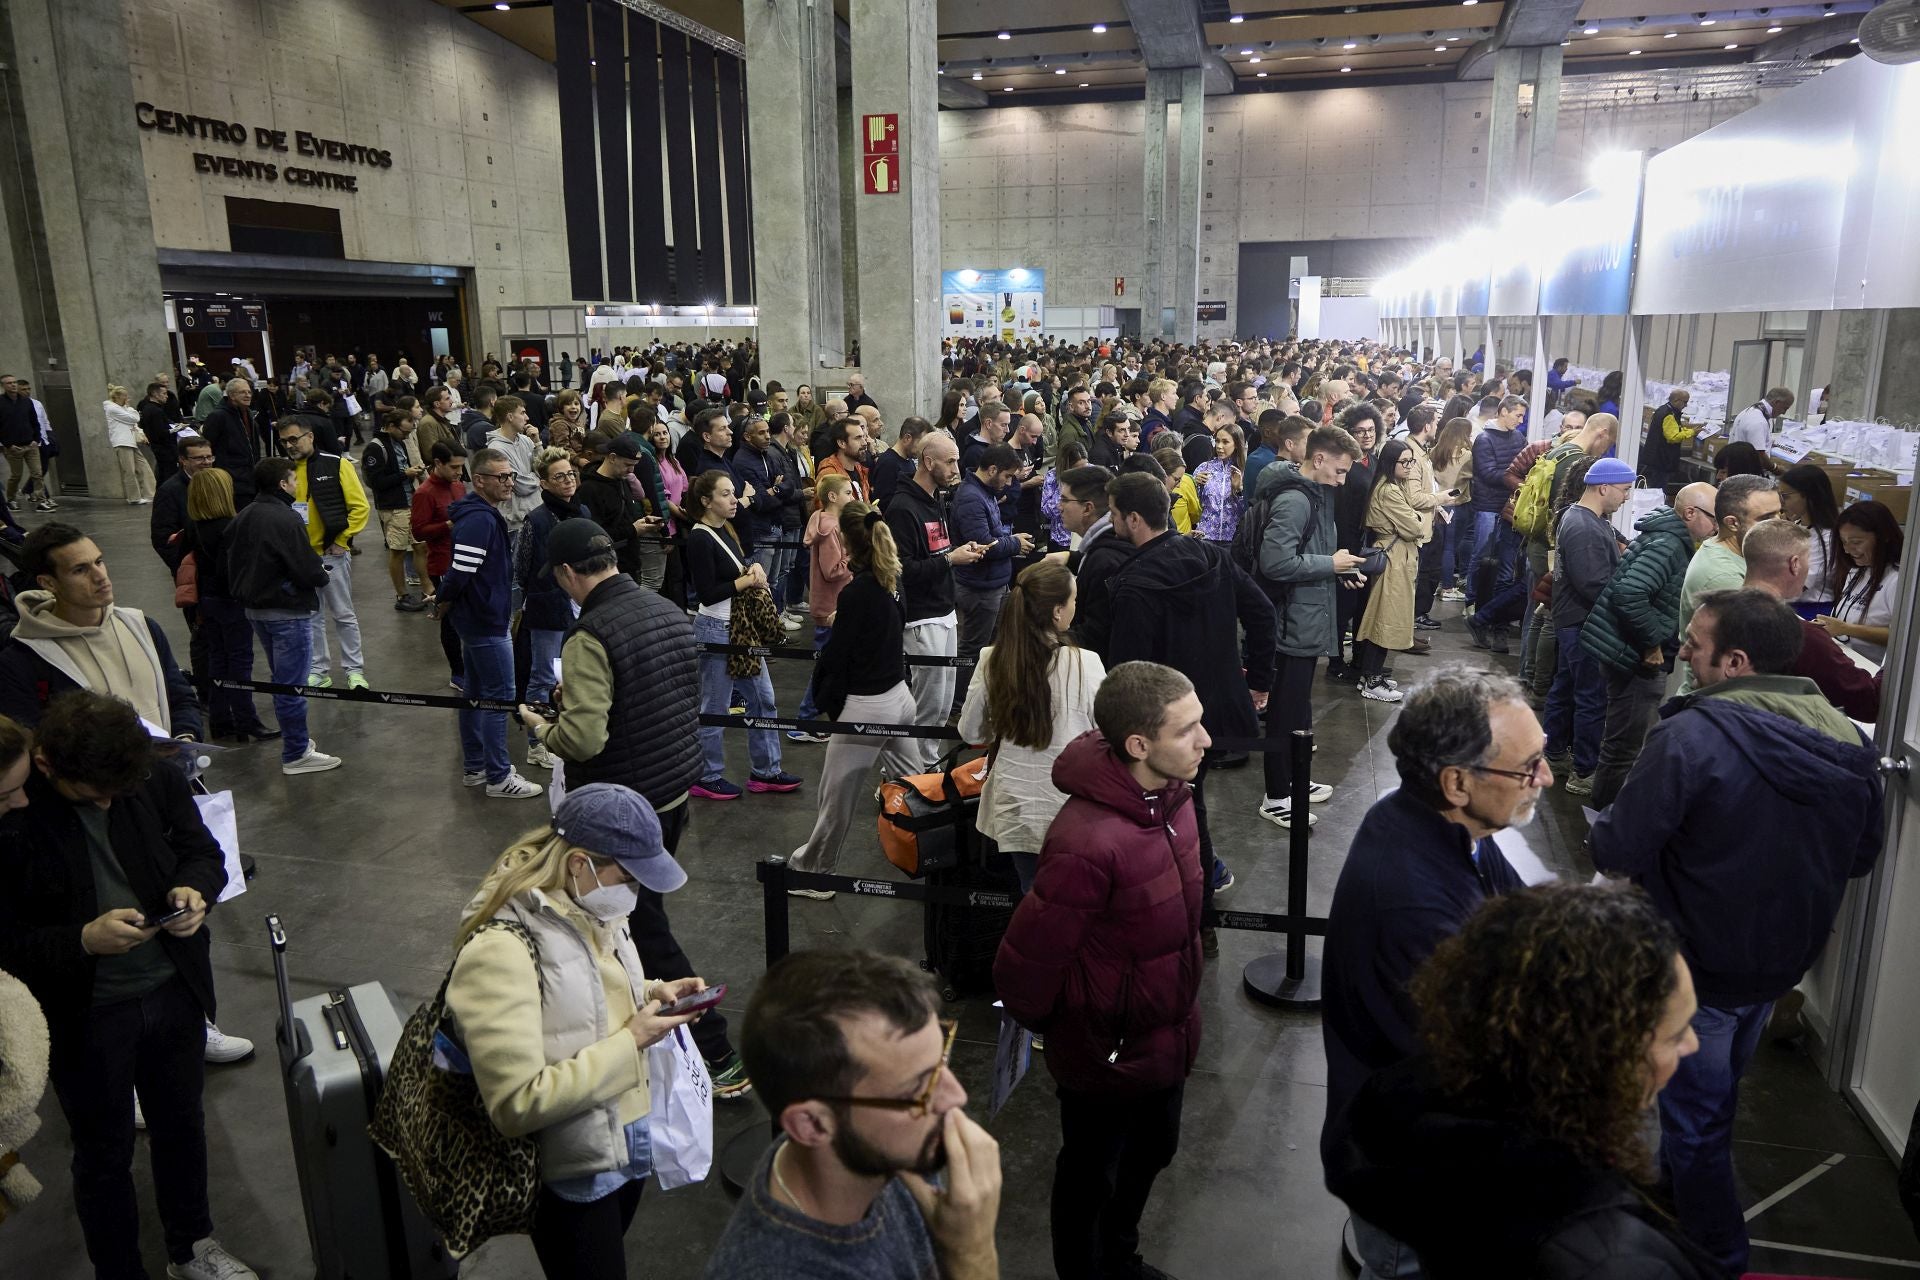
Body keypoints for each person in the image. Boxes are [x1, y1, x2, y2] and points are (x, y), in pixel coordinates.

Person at [1590, 588, 1883, 1275]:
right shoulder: (1849, 742)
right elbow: (1862, 857)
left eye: (1695, 644)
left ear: (1736, 662)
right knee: (1710, 1102)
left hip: (1695, 965)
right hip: (1779, 963)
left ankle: (1717, 1253)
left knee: (1697, 1121)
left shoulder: (1691, 736)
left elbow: (1618, 847)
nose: (1682, 652)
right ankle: (1670, 1187)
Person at [0, 690, 259, 1280]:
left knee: (182, 1126)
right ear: (46, 765)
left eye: (119, 792)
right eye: (95, 794)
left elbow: (202, 852)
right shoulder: (17, 811)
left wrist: (196, 891)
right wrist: (82, 940)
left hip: (173, 989)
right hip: (84, 1012)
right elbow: (7, 943)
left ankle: (191, 1246)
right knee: (103, 1153)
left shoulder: (150, 778)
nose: (109, 802)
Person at [1330, 883, 1716, 1278]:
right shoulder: (1611, 1261)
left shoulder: (1437, 1102)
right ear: (1598, 1057)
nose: (1693, 1044)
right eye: (1675, 1035)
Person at [445, 783, 710, 1279]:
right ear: (578, 863)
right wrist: (632, 1040)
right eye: (628, 878)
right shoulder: (500, 950)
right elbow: (516, 1103)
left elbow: (580, 991)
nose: (635, 893)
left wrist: (650, 992)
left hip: (622, 1140)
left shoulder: (589, 903)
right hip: (573, 1173)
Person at [995, 661, 1207, 1280]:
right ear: (1139, 745)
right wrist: (1070, 1029)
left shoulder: (1176, 799)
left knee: (1154, 1149)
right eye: (1187, 730)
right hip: (1104, 1049)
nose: (1205, 739)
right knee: (1091, 1174)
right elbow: (1030, 960)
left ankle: (1119, 1258)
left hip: (1166, 1029)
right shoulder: (1086, 842)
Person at [1320, 665, 1533, 1278]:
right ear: (1457, 781)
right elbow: (1486, 1059)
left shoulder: (1443, 825)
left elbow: (1522, 920)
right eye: (1526, 768)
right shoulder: (1412, 903)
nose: (1543, 779)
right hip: (1416, 1172)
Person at [705, 948, 1002, 1280]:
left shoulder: (885, 1149)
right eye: (919, 1088)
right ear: (812, 1124)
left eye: (940, 1060)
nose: (958, 1096)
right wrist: (971, 1252)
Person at [1105, 472, 1275, 902]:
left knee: (1177, 800)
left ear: (1134, 519)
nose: (1111, 521)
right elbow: (1262, 613)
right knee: (1188, 796)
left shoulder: (1135, 585)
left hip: (1164, 723)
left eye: (1113, 513)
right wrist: (1258, 681)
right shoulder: (1211, 556)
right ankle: (1201, 873)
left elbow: (1127, 673)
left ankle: (1198, 883)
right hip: (1220, 708)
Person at [784, 504, 919, 898]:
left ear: (846, 540)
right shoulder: (891, 577)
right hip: (900, 698)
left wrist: (831, 705)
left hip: (868, 708)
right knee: (918, 787)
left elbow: (838, 656)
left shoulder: (857, 591)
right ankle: (943, 856)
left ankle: (815, 874)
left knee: (836, 800)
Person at [958, 559, 1106, 895]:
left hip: (1015, 805)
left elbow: (971, 733)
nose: (1075, 606)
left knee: (1032, 893)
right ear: (1057, 611)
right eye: (1073, 600)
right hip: (1072, 807)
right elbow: (1108, 734)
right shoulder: (1086, 663)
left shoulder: (992, 660)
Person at [1254, 427, 1367, 828]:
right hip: (1292, 620)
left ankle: (1292, 778)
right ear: (1318, 459)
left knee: (1297, 707)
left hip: (1305, 614)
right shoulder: (1295, 500)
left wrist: (1337, 569)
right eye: (1339, 470)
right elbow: (1275, 563)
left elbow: (1309, 553)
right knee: (1286, 710)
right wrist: (1330, 565)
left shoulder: (1313, 494)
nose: (1342, 480)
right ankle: (1276, 795)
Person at [0, 522, 204, 743]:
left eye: (98, 561)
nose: (100, 577)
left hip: (166, 764)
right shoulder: (24, 659)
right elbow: (32, 743)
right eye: (80, 570)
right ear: (48, 582)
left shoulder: (143, 627)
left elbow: (181, 698)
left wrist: (186, 737)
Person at [682, 469, 802, 799]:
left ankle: (767, 770)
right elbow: (708, 593)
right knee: (715, 706)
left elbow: (733, 569)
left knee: (763, 699)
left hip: (739, 628)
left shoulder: (726, 528)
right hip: (716, 629)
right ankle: (706, 775)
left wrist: (753, 567)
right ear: (706, 501)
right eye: (725, 494)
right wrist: (748, 580)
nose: (734, 499)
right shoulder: (699, 537)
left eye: (733, 493)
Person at [1577, 486, 1699, 807]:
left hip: (1628, 654)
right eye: (1714, 519)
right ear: (1691, 513)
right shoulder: (1670, 545)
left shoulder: (1666, 536)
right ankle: (1604, 821)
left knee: (1623, 745)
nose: (1716, 527)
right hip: (1635, 660)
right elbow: (1629, 593)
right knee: (1623, 750)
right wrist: (1651, 642)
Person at [226, 458, 340, 775]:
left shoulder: (245, 515)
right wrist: (322, 575)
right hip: (287, 612)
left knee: (282, 681)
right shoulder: (286, 518)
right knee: (291, 686)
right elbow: (304, 566)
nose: (297, 483)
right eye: (293, 478)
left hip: (256, 610)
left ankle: (296, 741)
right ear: (282, 484)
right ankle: (296, 753)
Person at [441, 446, 542, 799]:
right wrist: (443, 599)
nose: (509, 482)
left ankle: (476, 767)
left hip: (479, 619)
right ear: (480, 480)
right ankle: (499, 776)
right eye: (502, 477)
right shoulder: (480, 520)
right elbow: (460, 571)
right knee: (499, 698)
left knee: (475, 694)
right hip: (485, 622)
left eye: (511, 475)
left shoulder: (481, 515)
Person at [885, 433, 990, 773]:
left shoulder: (934, 499)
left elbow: (937, 551)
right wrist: (950, 560)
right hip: (921, 617)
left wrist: (958, 552)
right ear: (928, 462)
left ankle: (926, 767)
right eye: (950, 461)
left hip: (945, 610)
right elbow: (902, 569)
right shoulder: (902, 508)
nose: (957, 468)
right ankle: (902, 773)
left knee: (942, 704)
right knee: (926, 703)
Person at [1741, 518, 1882, 721]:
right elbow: (1869, 702)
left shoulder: (1717, 614)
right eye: (1809, 560)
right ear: (1795, 564)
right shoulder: (1802, 636)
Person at [274, 416, 371, 692]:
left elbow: (360, 507)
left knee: (343, 614)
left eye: (294, 439)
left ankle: (354, 671)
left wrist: (341, 540)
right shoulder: (283, 470)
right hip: (299, 559)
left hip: (332, 555)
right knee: (311, 617)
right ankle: (318, 670)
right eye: (284, 441)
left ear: (310, 436)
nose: (290, 445)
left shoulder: (336, 464)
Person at [179, 467, 274, 742]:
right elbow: (231, 571)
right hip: (231, 602)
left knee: (217, 660)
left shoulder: (193, 526)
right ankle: (247, 721)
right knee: (240, 662)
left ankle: (220, 721)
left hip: (206, 600)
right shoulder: (230, 527)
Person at [514, 448, 586, 768]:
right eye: (559, 477)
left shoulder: (583, 511)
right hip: (547, 607)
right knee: (542, 676)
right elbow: (522, 567)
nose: (568, 480)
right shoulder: (536, 520)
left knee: (571, 674)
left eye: (570, 474)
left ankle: (566, 735)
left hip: (580, 606)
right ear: (544, 483)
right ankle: (536, 743)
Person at [1677, 473, 1780, 694]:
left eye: (1780, 513)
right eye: (1767, 517)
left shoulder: (1736, 554)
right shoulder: (1723, 576)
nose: (1779, 524)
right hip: (1717, 699)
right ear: (1732, 523)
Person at [950, 444, 1034, 711]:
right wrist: (1014, 543)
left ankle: (983, 697)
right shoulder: (972, 498)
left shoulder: (984, 492)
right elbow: (982, 545)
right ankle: (959, 705)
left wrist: (1011, 539)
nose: (1009, 483)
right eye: (1007, 476)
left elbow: (992, 535)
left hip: (994, 583)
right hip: (980, 588)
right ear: (993, 469)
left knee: (994, 644)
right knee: (974, 648)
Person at [1350, 440, 1426, 702]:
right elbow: (1414, 528)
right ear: (1390, 462)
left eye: (1411, 461)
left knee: (1381, 617)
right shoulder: (1390, 491)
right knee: (1384, 620)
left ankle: (1370, 675)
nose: (1409, 466)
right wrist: (1417, 518)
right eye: (1404, 461)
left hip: (1393, 556)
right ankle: (1372, 680)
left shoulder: (1389, 486)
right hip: (1393, 558)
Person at [789, 472, 855, 742]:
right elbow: (832, 570)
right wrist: (856, 557)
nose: (852, 497)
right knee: (826, 668)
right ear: (832, 496)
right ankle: (805, 720)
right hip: (832, 609)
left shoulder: (825, 522)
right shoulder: (829, 530)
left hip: (834, 605)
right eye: (848, 493)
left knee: (834, 665)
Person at [360, 406, 430, 611]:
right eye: (404, 431)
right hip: (393, 507)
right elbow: (376, 482)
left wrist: (413, 473)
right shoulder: (375, 448)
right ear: (391, 426)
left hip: (410, 502)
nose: (407, 436)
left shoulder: (399, 442)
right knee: (398, 551)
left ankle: (428, 588)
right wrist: (404, 474)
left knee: (420, 546)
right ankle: (402, 595)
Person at [1463, 395, 1527, 608]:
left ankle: (1492, 603)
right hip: (1487, 507)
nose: (1521, 420)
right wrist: (1516, 479)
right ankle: (1472, 600)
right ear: (1504, 411)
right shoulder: (1484, 439)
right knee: (1482, 554)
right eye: (1518, 415)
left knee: (1503, 557)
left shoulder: (1518, 437)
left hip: (1509, 506)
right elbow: (1488, 473)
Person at [1820, 498, 1903, 663]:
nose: (1848, 550)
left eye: (1856, 542)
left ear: (1884, 536)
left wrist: (1846, 629)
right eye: (1844, 542)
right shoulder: (1857, 569)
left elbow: (1902, 636)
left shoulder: (1898, 580)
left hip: (1872, 667)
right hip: (1845, 657)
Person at [412, 442, 468, 679]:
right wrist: (448, 525)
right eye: (454, 467)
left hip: (464, 559)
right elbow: (418, 532)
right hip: (443, 564)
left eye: (461, 467)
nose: (459, 472)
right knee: (450, 621)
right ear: (437, 463)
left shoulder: (458, 486)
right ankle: (458, 673)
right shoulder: (424, 493)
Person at [1775, 463, 1844, 616]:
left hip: (1813, 609)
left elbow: (1801, 584)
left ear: (1807, 496)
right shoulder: (1798, 525)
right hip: (1789, 603)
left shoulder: (1827, 537)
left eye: (1786, 496)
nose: (1781, 502)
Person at [198, 379, 257, 504]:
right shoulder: (218, 416)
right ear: (232, 395)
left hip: (250, 478)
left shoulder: (248, 413)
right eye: (243, 392)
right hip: (230, 480)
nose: (248, 395)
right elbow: (207, 446)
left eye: (249, 392)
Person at [1190, 423, 1245, 546]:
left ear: (1236, 444)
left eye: (1225, 442)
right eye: (1217, 441)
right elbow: (1193, 506)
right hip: (1205, 537)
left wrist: (1239, 490)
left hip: (1233, 540)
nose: (1219, 446)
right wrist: (1195, 485)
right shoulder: (1204, 468)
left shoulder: (1244, 472)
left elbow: (1246, 511)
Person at [103, 386, 156, 505]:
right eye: (125, 396)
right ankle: (134, 497)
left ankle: (150, 494)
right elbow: (134, 419)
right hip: (122, 442)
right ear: (117, 397)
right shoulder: (112, 409)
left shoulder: (123, 409)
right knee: (130, 471)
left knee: (143, 467)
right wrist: (129, 409)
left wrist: (141, 434)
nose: (127, 398)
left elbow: (134, 424)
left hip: (131, 441)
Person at [1641, 387, 1697, 496]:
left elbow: (1674, 429)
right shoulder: (1669, 415)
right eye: (1685, 402)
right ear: (1676, 400)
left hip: (1656, 457)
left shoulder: (1663, 409)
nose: (1686, 406)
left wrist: (1689, 431)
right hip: (1662, 459)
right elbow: (1672, 437)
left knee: (1655, 486)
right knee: (1658, 489)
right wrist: (1691, 433)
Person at [871, 415, 930, 510]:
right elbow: (884, 503)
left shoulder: (909, 460)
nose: (922, 449)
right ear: (907, 438)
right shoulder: (888, 463)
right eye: (921, 443)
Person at [1728, 386, 1794, 450]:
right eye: (1785, 408)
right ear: (1777, 402)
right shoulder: (1759, 421)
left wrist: (1768, 443)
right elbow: (1759, 454)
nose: (1784, 413)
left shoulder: (1750, 411)